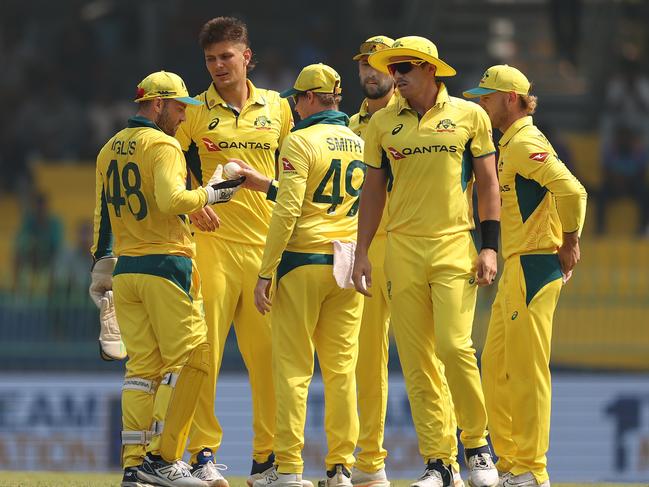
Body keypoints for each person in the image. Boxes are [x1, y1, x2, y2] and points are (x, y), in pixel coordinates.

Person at [352, 36, 501, 487]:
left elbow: (489, 184)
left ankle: (476, 445)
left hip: (455, 243)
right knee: (416, 362)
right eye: (392, 67)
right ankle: (439, 463)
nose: (396, 74)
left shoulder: (469, 116)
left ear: (431, 70)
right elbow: (373, 191)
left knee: (456, 348)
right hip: (402, 248)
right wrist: (361, 250)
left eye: (406, 67)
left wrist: (490, 245)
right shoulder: (382, 124)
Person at [90, 70, 243, 487]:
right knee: (195, 358)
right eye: (177, 108)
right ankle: (166, 459)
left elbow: (103, 218)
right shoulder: (163, 145)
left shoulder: (109, 149)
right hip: (167, 265)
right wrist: (216, 192)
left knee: (142, 370)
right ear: (157, 104)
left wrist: (101, 267)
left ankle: (134, 465)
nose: (181, 117)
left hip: (128, 272)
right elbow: (172, 200)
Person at [174, 16, 293, 486]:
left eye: (226, 56)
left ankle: (266, 461)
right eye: (210, 59)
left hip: (265, 250)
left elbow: (293, 170)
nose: (218, 66)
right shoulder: (195, 111)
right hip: (213, 246)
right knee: (204, 354)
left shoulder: (279, 109)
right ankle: (202, 456)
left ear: (246, 56)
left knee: (268, 360)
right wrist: (189, 207)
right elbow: (170, 163)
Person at [463, 65, 587, 487]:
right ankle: (512, 463)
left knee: (526, 370)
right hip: (517, 267)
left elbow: (573, 190)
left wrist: (570, 241)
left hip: (534, 265)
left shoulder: (525, 142)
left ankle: (532, 469)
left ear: (511, 98)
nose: (482, 102)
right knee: (496, 368)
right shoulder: (510, 143)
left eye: (488, 96)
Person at [251, 63, 364, 487]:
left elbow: (287, 211)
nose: (294, 107)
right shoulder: (358, 141)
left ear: (312, 99)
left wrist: (266, 270)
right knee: (341, 373)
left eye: (297, 98)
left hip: (301, 262)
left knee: (294, 371)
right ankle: (341, 469)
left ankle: (291, 469)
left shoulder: (298, 142)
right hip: (347, 263)